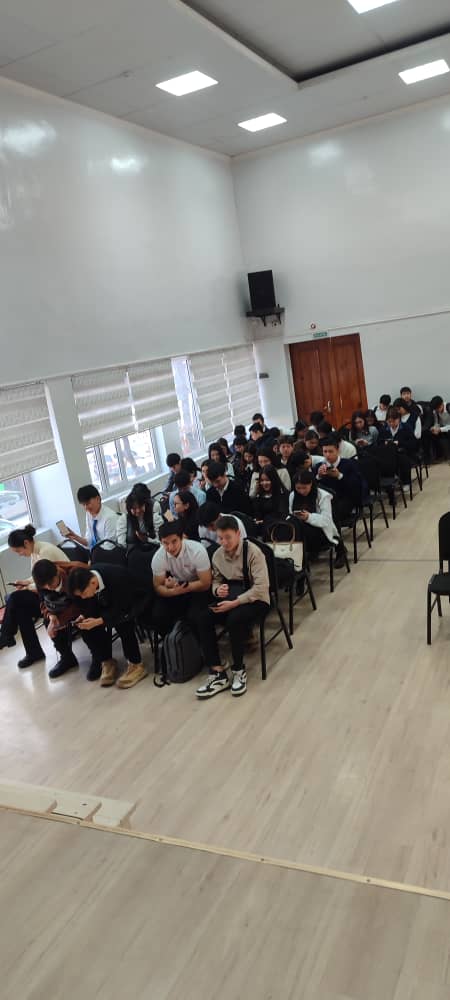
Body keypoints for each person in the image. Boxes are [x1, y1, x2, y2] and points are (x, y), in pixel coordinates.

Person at [195, 516, 270, 699]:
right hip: (231, 598)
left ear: (237, 534)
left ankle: (238, 669)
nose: (224, 542)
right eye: (220, 538)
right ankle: (217, 672)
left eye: (228, 537)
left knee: (235, 619)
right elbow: (216, 580)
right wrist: (217, 589)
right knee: (203, 617)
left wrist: (235, 602)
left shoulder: (253, 552)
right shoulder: (217, 555)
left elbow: (261, 587)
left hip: (256, 599)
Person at [67, 564, 150, 688]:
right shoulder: (88, 580)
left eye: (83, 593)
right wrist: (84, 616)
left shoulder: (117, 578)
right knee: (87, 628)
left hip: (136, 599)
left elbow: (122, 608)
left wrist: (99, 621)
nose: (83, 597)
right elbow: (91, 604)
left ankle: (136, 664)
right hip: (110, 603)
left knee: (122, 624)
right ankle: (106, 660)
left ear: (93, 582)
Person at [0, 525, 70, 668]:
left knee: (15, 600)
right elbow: (37, 578)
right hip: (50, 594)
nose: (19, 554)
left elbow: (46, 584)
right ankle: (30, 651)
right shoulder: (35, 551)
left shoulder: (45, 552)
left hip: (61, 596)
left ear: (26, 543)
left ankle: (6, 636)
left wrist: (27, 587)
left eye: (18, 551)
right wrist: (25, 582)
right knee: (18, 606)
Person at [32, 558, 94, 679]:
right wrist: (51, 616)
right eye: (44, 586)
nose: (48, 587)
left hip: (84, 604)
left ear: (57, 573)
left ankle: (99, 658)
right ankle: (67, 658)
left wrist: (60, 620)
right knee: (48, 622)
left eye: (51, 583)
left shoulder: (74, 574)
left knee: (84, 620)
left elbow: (83, 602)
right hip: (60, 608)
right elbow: (43, 601)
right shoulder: (42, 581)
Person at [151, 522, 212, 637]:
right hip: (177, 589)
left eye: (174, 541)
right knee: (158, 615)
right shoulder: (158, 557)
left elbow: (206, 583)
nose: (170, 547)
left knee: (197, 616)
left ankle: (204, 646)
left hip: (198, 589)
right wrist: (173, 591)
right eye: (165, 543)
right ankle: (172, 645)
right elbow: (158, 587)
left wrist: (181, 587)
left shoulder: (197, 550)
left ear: (182, 538)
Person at [289, 470, 340, 559]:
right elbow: (290, 513)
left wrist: (309, 517)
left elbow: (326, 521)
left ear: (311, 484)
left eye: (304, 488)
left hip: (321, 531)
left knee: (303, 531)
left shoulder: (322, 496)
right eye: (298, 488)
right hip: (300, 529)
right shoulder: (293, 495)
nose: (301, 491)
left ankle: (303, 558)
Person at [316, 435, 365, 522]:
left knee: (333, 513)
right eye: (325, 451)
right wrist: (318, 476)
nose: (327, 455)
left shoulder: (349, 464)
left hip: (345, 498)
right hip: (326, 500)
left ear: (338, 451)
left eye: (331, 451)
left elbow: (356, 487)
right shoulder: (319, 466)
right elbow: (313, 487)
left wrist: (339, 476)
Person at [65, 485, 118, 550]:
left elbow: (109, 547)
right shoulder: (89, 514)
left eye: (88, 503)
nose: (86, 508)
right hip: (96, 552)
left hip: (108, 553)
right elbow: (89, 542)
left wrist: (92, 554)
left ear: (98, 499)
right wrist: (75, 536)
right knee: (72, 551)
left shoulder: (110, 517)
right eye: (83, 505)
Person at [117, 483, 163, 550]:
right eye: (134, 508)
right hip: (133, 552)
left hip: (153, 550)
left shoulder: (155, 516)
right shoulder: (124, 519)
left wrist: (147, 539)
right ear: (129, 509)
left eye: (140, 506)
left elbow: (162, 542)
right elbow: (121, 545)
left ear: (145, 504)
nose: (138, 511)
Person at [252, 466, 289, 537]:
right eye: (262, 480)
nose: (264, 483)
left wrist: (265, 521)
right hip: (261, 532)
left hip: (277, 531)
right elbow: (256, 514)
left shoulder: (282, 495)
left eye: (267, 480)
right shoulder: (258, 496)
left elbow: (282, 515)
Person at [429, 395, 450, 459]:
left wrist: (440, 429)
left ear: (442, 403)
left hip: (447, 429)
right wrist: (434, 428)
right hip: (443, 428)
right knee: (431, 434)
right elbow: (436, 422)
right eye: (436, 409)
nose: (437, 410)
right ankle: (437, 456)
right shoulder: (435, 411)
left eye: (438, 408)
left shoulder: (448, 408)